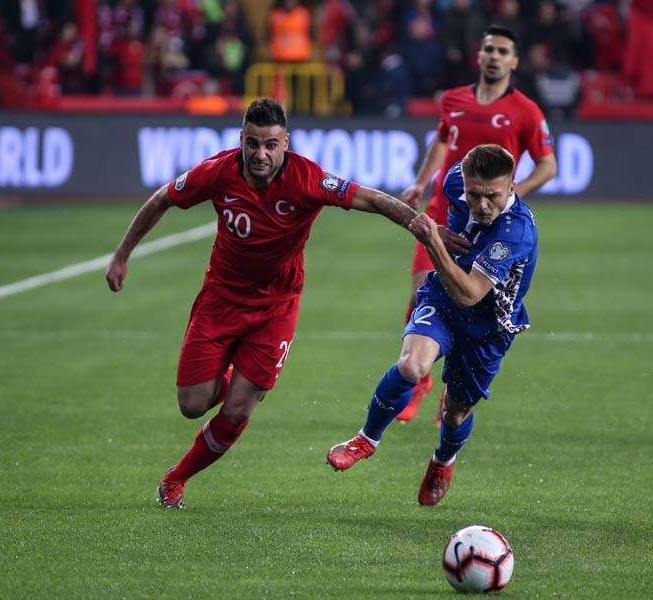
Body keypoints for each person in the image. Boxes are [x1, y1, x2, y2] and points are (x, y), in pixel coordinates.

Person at [105, 98, 468, 509]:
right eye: (253, 144)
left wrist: (425, 228)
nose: (261, 154)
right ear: (241, 140)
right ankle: (239, 380)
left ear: (286, 143)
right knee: (192, 405)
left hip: (276, 307)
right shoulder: (217, 172)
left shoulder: (306, 178)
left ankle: (177, 478)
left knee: (239, 409)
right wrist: (121, 255)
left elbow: (370, 199)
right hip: (219, 301)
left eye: (271, 145)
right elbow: (161, 200)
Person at [327, 143, 538, 506]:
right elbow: (439, 200)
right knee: (412, 365)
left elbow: (471, 293)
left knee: (455, 413)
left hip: (488, 326)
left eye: (492, 196)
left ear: (512, 189)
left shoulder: (515, 233)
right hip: (442, 299)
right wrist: (437, 227)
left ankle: (443, 459)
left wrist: (433, 241)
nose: (482, 205)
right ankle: (366, 438)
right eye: (474, 194)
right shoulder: (455, 179)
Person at [397, 23, 555, 423]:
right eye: (489, 49)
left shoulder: (526, 111)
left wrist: (509, 199)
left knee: (472, 300)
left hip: (487, 222)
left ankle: (452, 389)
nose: (495, 57)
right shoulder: (453, 100)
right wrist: (419, 183)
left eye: (503, 51)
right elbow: (442, 141)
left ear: (514, 61)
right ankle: (418, 383)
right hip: (445, 209)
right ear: (479, 55)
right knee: (421, 290)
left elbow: (549, 165)